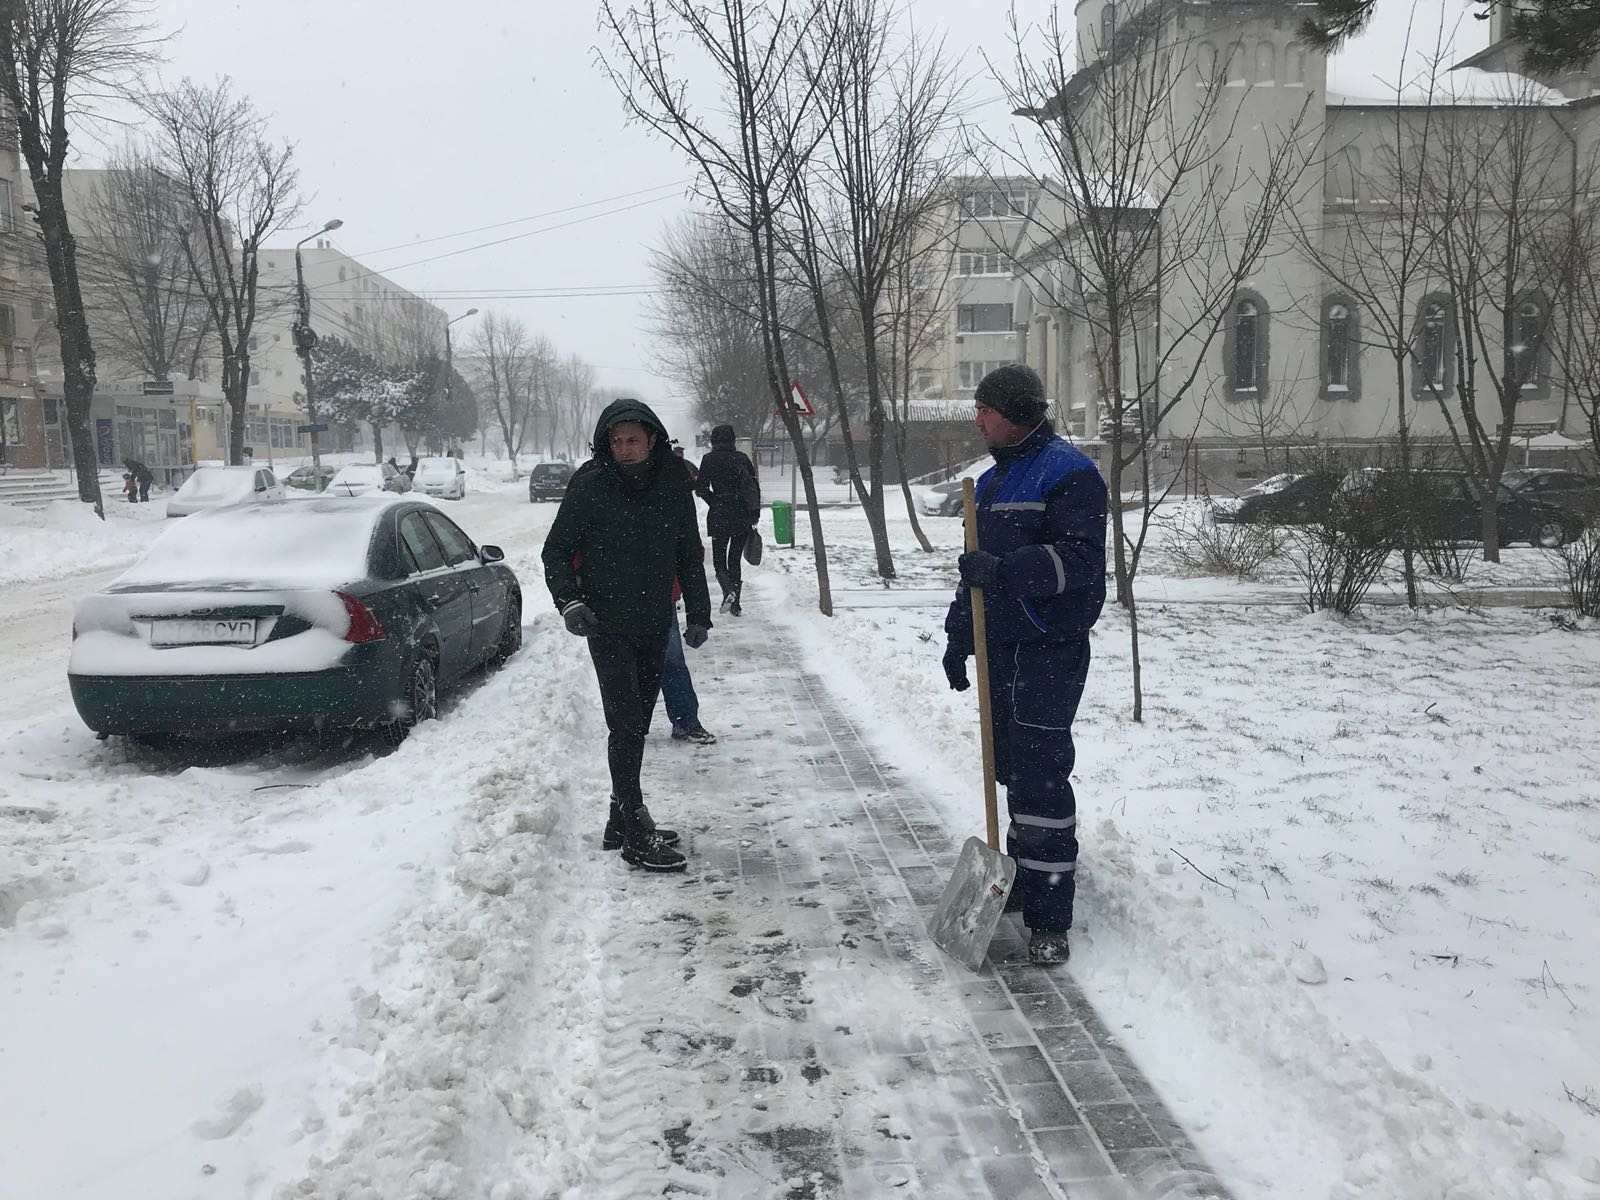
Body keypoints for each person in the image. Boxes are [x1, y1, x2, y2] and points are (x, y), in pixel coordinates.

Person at [942, 364, 1107, 966]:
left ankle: (1049, 915)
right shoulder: (991, 481)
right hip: (1000, 649)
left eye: (984, 409)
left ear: (1012, 413)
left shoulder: (1069, 473)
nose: (977, 420)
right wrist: (958, 634)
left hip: (1048, 648)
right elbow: (975, 572)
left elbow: (1081, 562)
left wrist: (1008, 571)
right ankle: (1020, 877)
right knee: (1011, 768)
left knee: (1041, 775)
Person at [543, 398, 713, 873]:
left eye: (633, 440)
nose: (625, 449)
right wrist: (569, 602)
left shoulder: (673, 482)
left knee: (637, 720)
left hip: (655, 619)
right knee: (625, 725)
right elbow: (556, 550)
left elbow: (687, 550)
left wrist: (699, 613)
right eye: (616, 441)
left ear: (653, 439)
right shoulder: (590, 485)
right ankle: (635, 834)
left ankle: (620, 819)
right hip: (607, 623)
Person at [696, 425, 760, 615]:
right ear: (733, 439)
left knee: (719, 560)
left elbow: (701, 489)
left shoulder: (709, 460)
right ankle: (736, 604)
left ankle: (728, 590)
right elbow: (753, 486)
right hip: (741, 515)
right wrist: (753, 512)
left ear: (713, 440)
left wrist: (715, 501)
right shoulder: (742, 458)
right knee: (734, 560)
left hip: (719, 516)